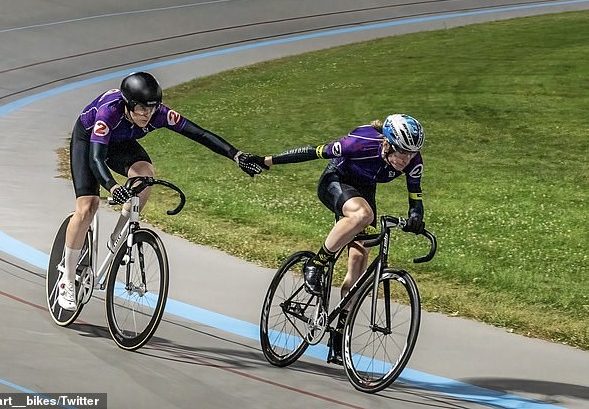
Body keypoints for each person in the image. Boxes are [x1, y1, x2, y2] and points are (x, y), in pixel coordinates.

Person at [58, 71, 264, 311]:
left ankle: (119, 236)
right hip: (90, 141)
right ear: (127, 105)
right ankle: (67, 279)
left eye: (152, 108)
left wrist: (236, 155)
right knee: (87, 207)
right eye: (142, 109)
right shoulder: (108, 113)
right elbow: (96, 160)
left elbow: (200, 134)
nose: (148, 114)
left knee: (145, 175)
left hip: (120, 143)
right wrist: (113, 187)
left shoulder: (159, 114)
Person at [256, 114, 426, 364]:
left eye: (411, 154)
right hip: (335, 181)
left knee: (359, 262)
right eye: (402, 152)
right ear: (387, 143)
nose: (406, 159)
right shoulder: (360, 142)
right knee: (363, 215)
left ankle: (338, 335)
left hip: (364, 190)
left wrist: (415, 217)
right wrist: (267, 160)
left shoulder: (412, 160)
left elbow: (416, 196)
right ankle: (317, 262)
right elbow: (313, 152)